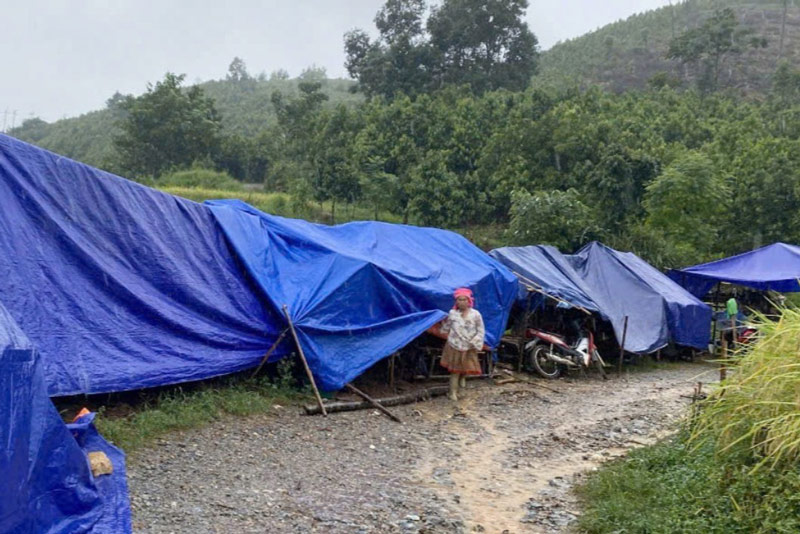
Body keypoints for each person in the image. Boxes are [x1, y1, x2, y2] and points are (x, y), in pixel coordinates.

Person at [439, 287, 485, 401]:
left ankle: (462, 383)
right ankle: (452, 392)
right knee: (455, 371)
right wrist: (440, 326)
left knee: (465, 368)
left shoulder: (476, 315)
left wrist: (475, 341)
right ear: (456, 301)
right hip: (455, 345)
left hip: (469, 346)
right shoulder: (453, 313)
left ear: (469, 301)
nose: (462, 302)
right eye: (459, 300)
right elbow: (446, 327)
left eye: (464, 299)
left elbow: (481, 330)